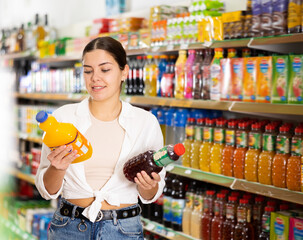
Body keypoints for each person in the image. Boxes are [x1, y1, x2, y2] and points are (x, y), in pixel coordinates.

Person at [35, 36, 166, 239]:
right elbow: (48, 191)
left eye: (105, 70)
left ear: (124, 72)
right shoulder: (62, 118)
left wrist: (148, 185)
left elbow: (149, 196)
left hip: (123, 230)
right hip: (69, 227)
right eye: (88, 71)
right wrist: (56, 168)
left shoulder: (145, 122)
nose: (95, 77)